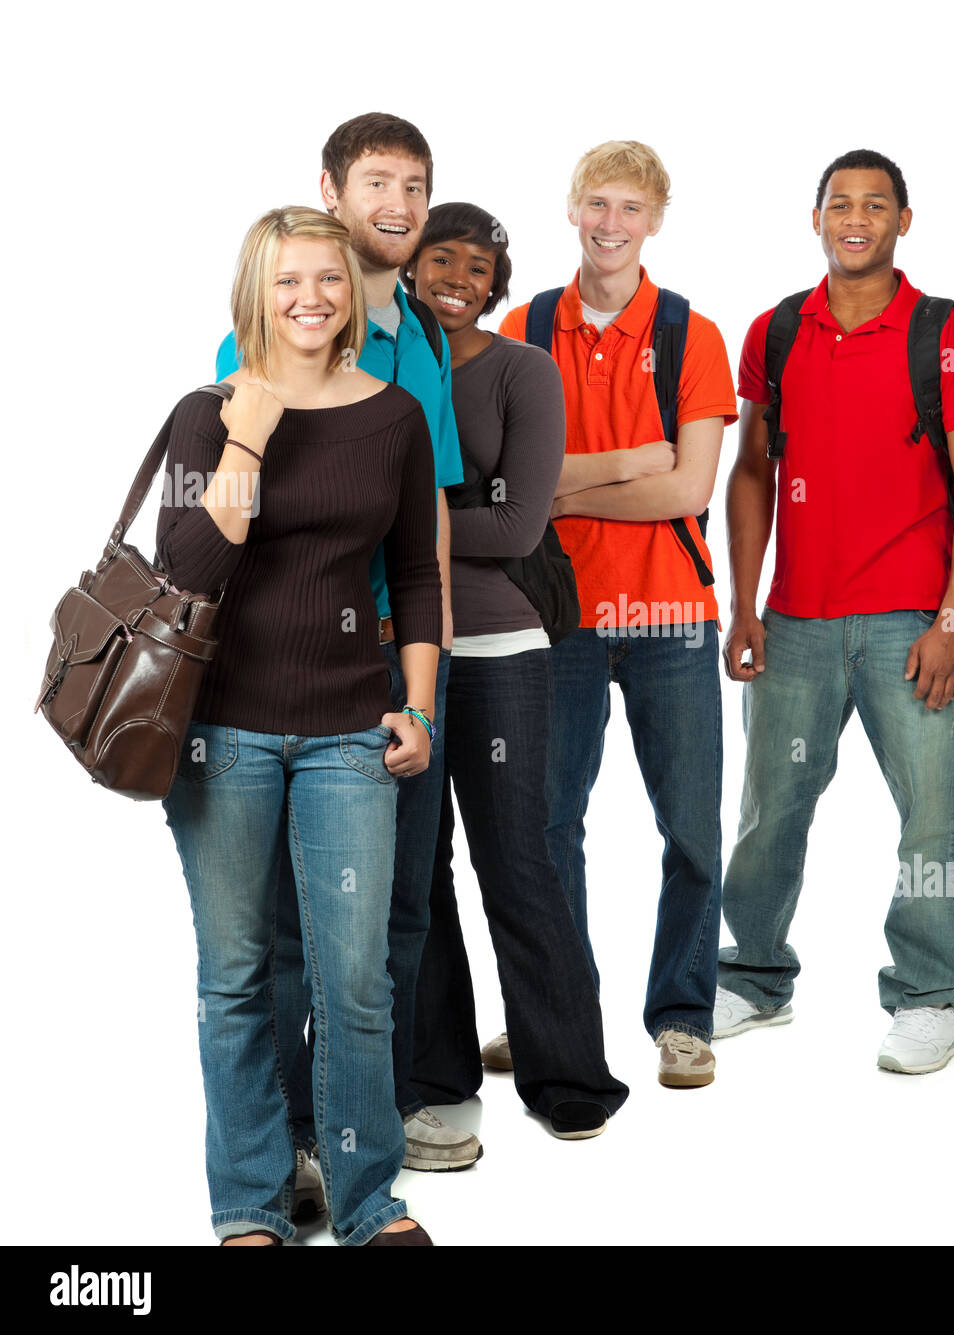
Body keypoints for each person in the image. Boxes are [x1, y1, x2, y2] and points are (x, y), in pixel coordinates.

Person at [160, 206, 438, 1244]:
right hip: (220, 736)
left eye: (328, 278)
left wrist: (414, 705)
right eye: (287, 282)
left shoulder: (394, 418)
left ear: (353, 291)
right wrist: (249, 431)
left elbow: (415, 577)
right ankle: (251, 1206)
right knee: (235, 979)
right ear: (255, 295)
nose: (311, 298)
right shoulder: (207, 413)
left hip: (347, 733)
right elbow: (192, 564)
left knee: (354, 980)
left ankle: (370, 1202)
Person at [215, 114, 478, 1192]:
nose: (400, 206)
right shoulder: (268, 337)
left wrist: (435, 638)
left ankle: (375, 1112)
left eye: (416, 188)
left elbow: (432, 506)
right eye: (378, 183)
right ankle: (295, 1139)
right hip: (296, 671)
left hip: (401, 659)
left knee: (398, 903)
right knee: (287, 929)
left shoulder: (417, 334)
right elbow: (236, 519)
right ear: (329, 190)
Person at [712, 149, 954, 1074]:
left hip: (910, 623)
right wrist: (746, 604)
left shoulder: (947, 335)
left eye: (876, 205)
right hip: (794, 621)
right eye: (840, 203)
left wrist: (953, 620)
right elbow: (752, 468)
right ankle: (755, 976)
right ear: (815, 217)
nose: (856, 217)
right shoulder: (776, 332)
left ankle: (929, 994)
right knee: (768, 815)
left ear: (902, 223)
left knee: (933, 816)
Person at [498, 141, 737, 1087]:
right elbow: (510, 481)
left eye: (630, 207)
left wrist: (570, 488)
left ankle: (683, 1014)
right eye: (596, 202)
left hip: (671, 615)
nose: (611, 223)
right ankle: (557, 1011)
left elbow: (688, 484)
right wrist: (627, 461)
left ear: (657, 219)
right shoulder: (523, 326)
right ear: (570, 208)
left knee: (689, 825)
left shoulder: (692, 333)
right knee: (547, 823)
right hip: (555, 613)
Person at [402, 203, 629, 1137]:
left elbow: (518, 527)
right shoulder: (378, 364)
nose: (457, 275)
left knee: (519, 859)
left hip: (497, 648)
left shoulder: (521, 372)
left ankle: (569, 1077)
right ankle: (442, 1084)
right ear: (410, 268)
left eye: (477, 264)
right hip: (395, 651)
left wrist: (407, 531)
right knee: (415, 874)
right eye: (439, 257)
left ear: (497, 283)